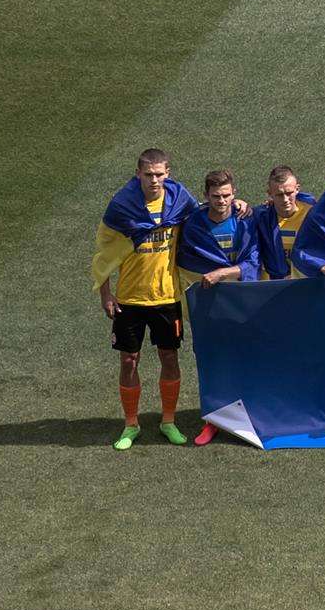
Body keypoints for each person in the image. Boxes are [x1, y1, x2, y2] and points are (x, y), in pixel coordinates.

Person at [91, 149, 197, 450]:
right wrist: (105, 293)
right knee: (129, 360)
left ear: (168, 173)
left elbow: (204, 219)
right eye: (148, 175)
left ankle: (168, 421)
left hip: (166, 297)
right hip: (129, 300)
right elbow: (105, 251)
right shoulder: (122, 206)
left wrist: (241, 206)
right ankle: (131, 424)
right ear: (137, 174)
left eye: (160, 174)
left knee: (169, 357)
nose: (154, 180)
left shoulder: (179, 201)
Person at [173, 169, 260, 446]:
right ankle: (212, 420)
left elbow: (255, 261)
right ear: (205, 196)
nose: (221, 201)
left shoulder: (246, 220)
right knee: (210, 360)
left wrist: (223, 273)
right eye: (215, 196)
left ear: (234, 194)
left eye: (226, 195)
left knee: (245, 357)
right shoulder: (194, 225)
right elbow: (187, 259)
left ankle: (251, 412)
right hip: (208, 305)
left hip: (243, 303)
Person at [251, 165, 313, 280]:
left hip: (303, 282)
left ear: (297, 189)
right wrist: (237, 203)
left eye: (289, 193)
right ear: (270, 193)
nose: (285, 199)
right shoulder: (260, 217)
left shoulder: (311, 214)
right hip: (271, 285)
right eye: (279, 195)